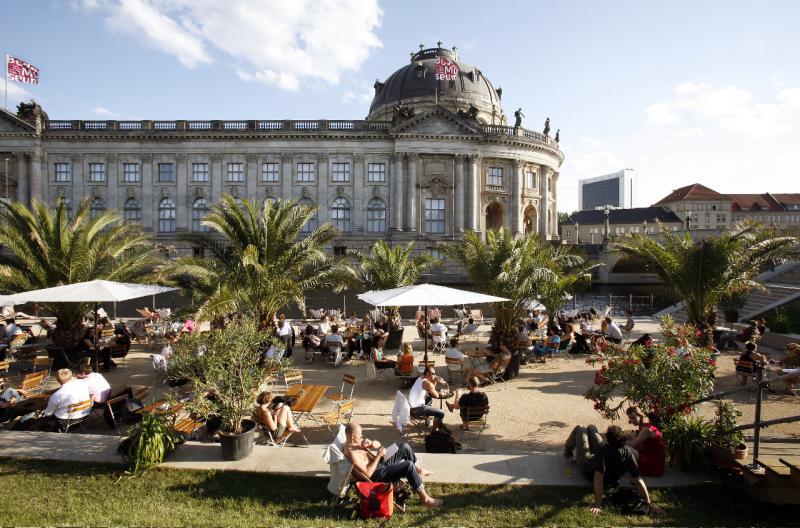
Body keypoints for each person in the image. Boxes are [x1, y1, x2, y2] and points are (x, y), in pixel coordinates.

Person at [344, 422, 442, 508]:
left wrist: (372, 444)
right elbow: (368, 474)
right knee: (408, 465)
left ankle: (418, 469)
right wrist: (378, 456)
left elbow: (378, 445)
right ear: (353, 436)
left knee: (404, 446)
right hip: (376, 476)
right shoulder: (352, 453)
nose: (361, 436)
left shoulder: (355, 443)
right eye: (360, 434)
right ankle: (425, 499)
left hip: (379, 465)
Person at [564, 424, 655, 515]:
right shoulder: (627, 453)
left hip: (585, 464)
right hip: (604, 462)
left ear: (607, 439)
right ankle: (589, 433)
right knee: (591, 428)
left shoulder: (602, 451)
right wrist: (648, 503)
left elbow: (598, 479)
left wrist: (598, 505)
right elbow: (638, 480)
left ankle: (567, 451)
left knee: (581, 428)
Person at [625, 406, 665, 477]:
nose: (631, 420)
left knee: (625, 447)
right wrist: (631, 438)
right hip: (650, 457)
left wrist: (619, 441)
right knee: (627, 444)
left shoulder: (646, 429)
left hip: (654, 464)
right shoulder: (642, 427)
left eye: (633, 417)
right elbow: (642, 448)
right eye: (630, 418)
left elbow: (632, 444)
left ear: (640, 416)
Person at [408, 366, 448, 432]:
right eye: (433, 373)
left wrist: (434, 381)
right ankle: (434, 431)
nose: (435, 375)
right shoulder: (428, 384)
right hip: (417, 409)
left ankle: (427, 420)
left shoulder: (420, 378)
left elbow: (431, 389)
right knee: (441, 413)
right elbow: (436, 395)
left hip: (411, 406)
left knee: (429, 398)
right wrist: (436, 381)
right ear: (427, 374)